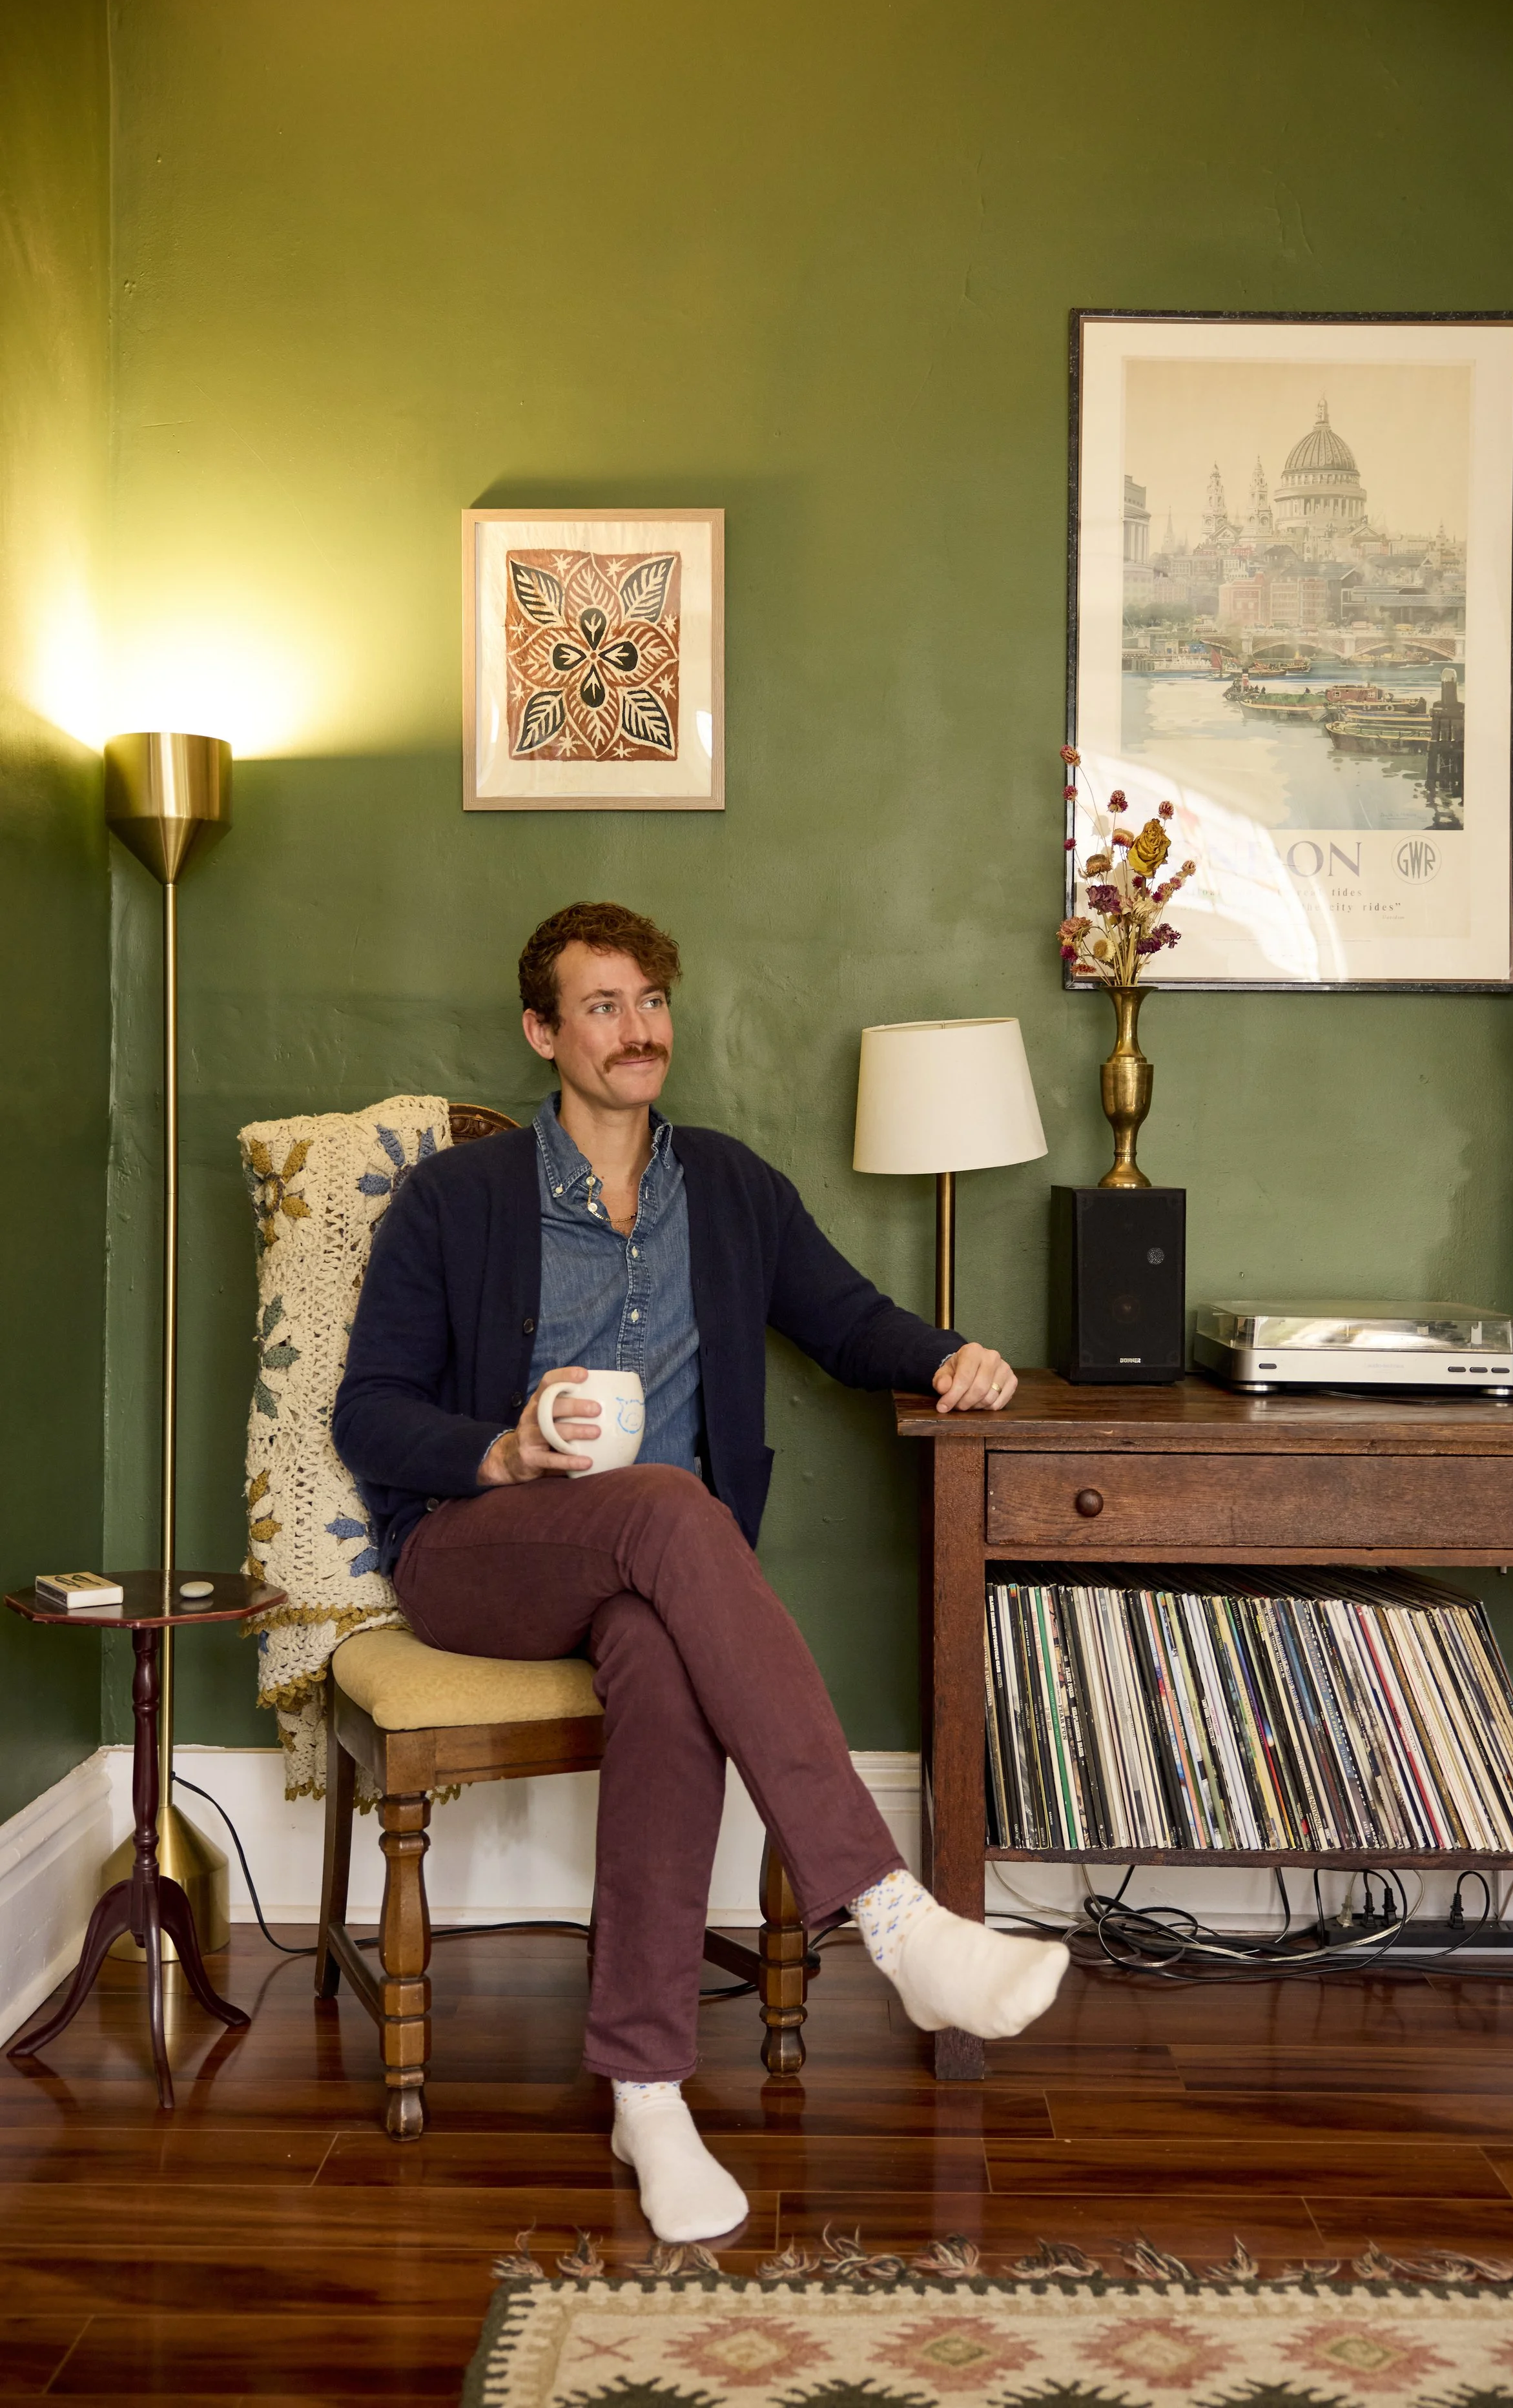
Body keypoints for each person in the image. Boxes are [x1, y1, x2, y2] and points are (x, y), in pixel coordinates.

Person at [334, 901, 1067, 2241]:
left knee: (667, 1660)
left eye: (651, 999)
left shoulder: (725, 1184)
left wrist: (949, 1351)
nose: (638, 1027)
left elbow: (845, 1319)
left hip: (660, 1575)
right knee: (674, 1504)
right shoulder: (457, 1202)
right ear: (541, 1031)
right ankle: (892, 1916)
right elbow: (367, 1410)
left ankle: (648, 2089)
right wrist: (499, 1446)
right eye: (602, 1004)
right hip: (479, 1549)